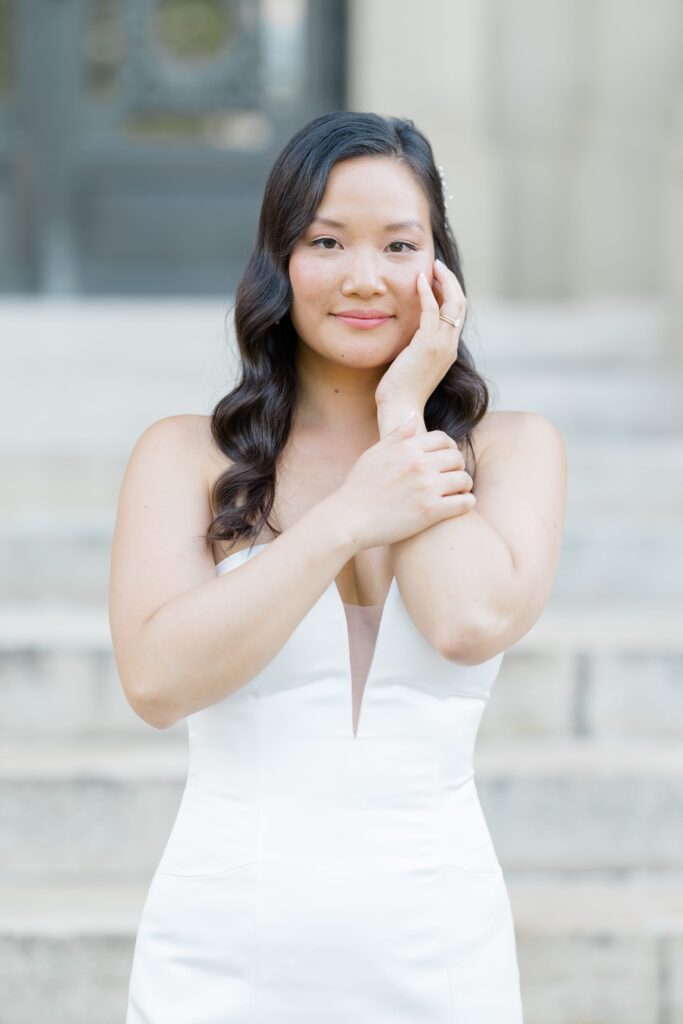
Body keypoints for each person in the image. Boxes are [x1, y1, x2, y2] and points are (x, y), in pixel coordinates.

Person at [110, 110, 566, 1022]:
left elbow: (464, 622)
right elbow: (157, 683)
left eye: (399, 244)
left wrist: (407, 410)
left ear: (440, 270)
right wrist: (349, 518)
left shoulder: (515, 451)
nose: (365, 277)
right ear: (278, 261)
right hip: (223, 951)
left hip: (440, 952)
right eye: (326, 240)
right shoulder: (183, 457)